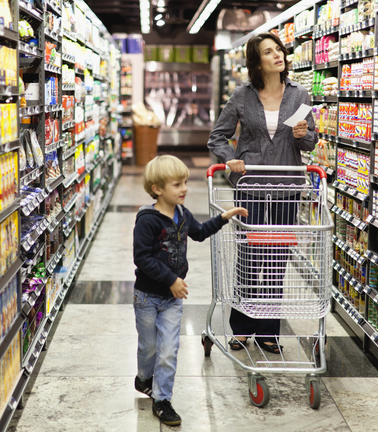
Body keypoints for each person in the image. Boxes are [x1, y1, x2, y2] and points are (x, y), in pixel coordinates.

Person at [207, 32, 318, 354]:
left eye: (279, 49)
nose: (277, 55)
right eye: (268, 52)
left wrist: (303, 134)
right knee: (248, 256)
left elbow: (309, 142)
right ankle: (241, 328)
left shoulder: (300, 95)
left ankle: (268, 330)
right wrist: (230, 160)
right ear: (257, 62)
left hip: (286, 186)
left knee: (276, 260)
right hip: (251, 186)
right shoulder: (242, 96)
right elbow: (217, 137)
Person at [132, 155, 248, 426]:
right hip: (147, 297)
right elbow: (142, 259)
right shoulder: (147, 220)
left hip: (172, 300)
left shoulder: (183, 215)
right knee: (149, 347)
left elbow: (200, 232)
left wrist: (224, 217)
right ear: (157, 189)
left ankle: (162, 400)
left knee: (169, 349)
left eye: (184, 182)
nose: (184, 188)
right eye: (176, 184)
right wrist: (171, 278)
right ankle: (143, 378)